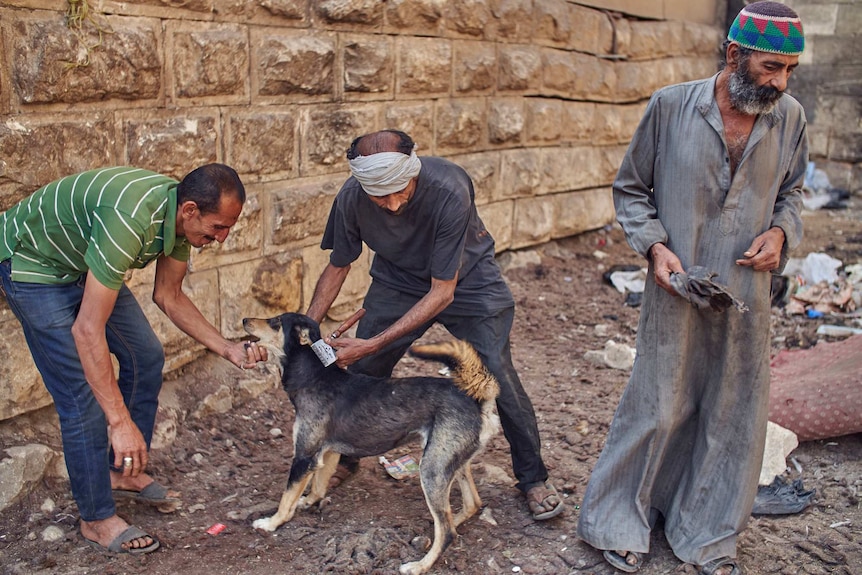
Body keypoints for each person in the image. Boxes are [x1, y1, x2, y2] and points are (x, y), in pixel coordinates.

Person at [576, 2, 807, 574]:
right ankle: (618, 521)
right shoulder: (671, 106)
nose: (780, 83)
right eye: (770, 68)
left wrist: (781, 231)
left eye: (789, 71)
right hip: (675, 281)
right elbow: (631, 190)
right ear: (734, 55)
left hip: (748, 290)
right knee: (658, 401)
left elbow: (793, 194)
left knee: (732, 412)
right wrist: (655, 248)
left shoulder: (791, 117)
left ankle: (705, 534)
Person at [0, 164, 266, 554]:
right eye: (217, 228)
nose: (222, 239)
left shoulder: (178, 221)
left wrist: (226, 347)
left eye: (227, 228)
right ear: (190, 209)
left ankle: (118, 471)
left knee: (145, 354)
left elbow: (169, 295)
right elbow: (87, 331)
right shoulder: (130, 219)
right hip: (33, 267)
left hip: (81, 263)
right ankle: (96, 519)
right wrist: (119, 421)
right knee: (82, 398)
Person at [305, 129, 564, 521]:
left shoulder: (449, 188)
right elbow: (339, 264)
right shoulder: (351, 198)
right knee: (361, 372)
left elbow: (443, 292)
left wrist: (371, 340)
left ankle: (533, 478)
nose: (391, 205)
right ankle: (347, 455)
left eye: (400, 192)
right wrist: (308, 330)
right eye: (380, 197)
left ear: (414, 172)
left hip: (469, 281)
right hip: (398, 281)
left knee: (495, 373)